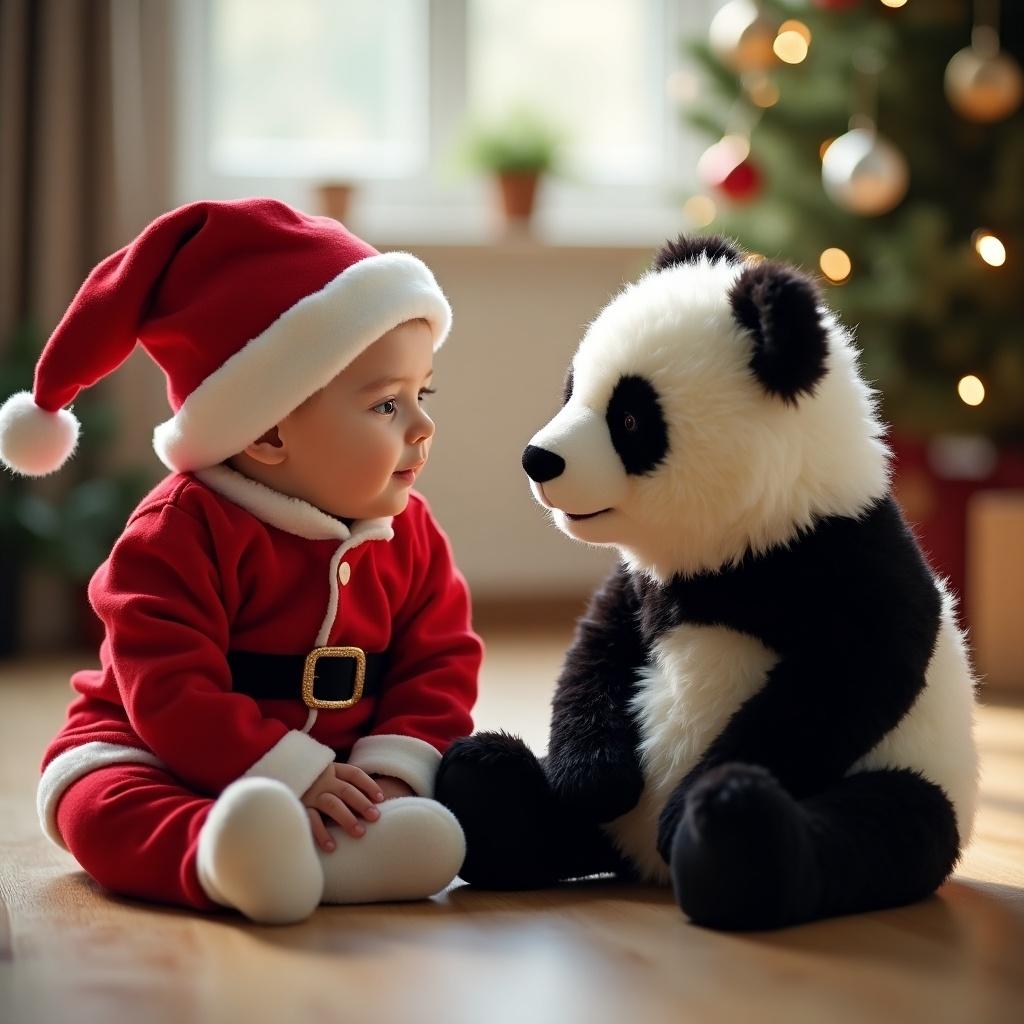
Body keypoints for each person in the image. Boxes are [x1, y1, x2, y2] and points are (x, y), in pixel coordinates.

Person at [0, 198, 482, 924]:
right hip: (155, 751)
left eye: (424, 393)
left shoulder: (406, 531)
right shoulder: (178, 532)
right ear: (266, 435)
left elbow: (439, 661)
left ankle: (350, 845)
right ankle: (219, 856)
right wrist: (287, 772)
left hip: (341, 769)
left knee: (423, 812)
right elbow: (166, 689)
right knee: (95, 802)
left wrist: (391, 774)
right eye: (387, 406)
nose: (423, 426)